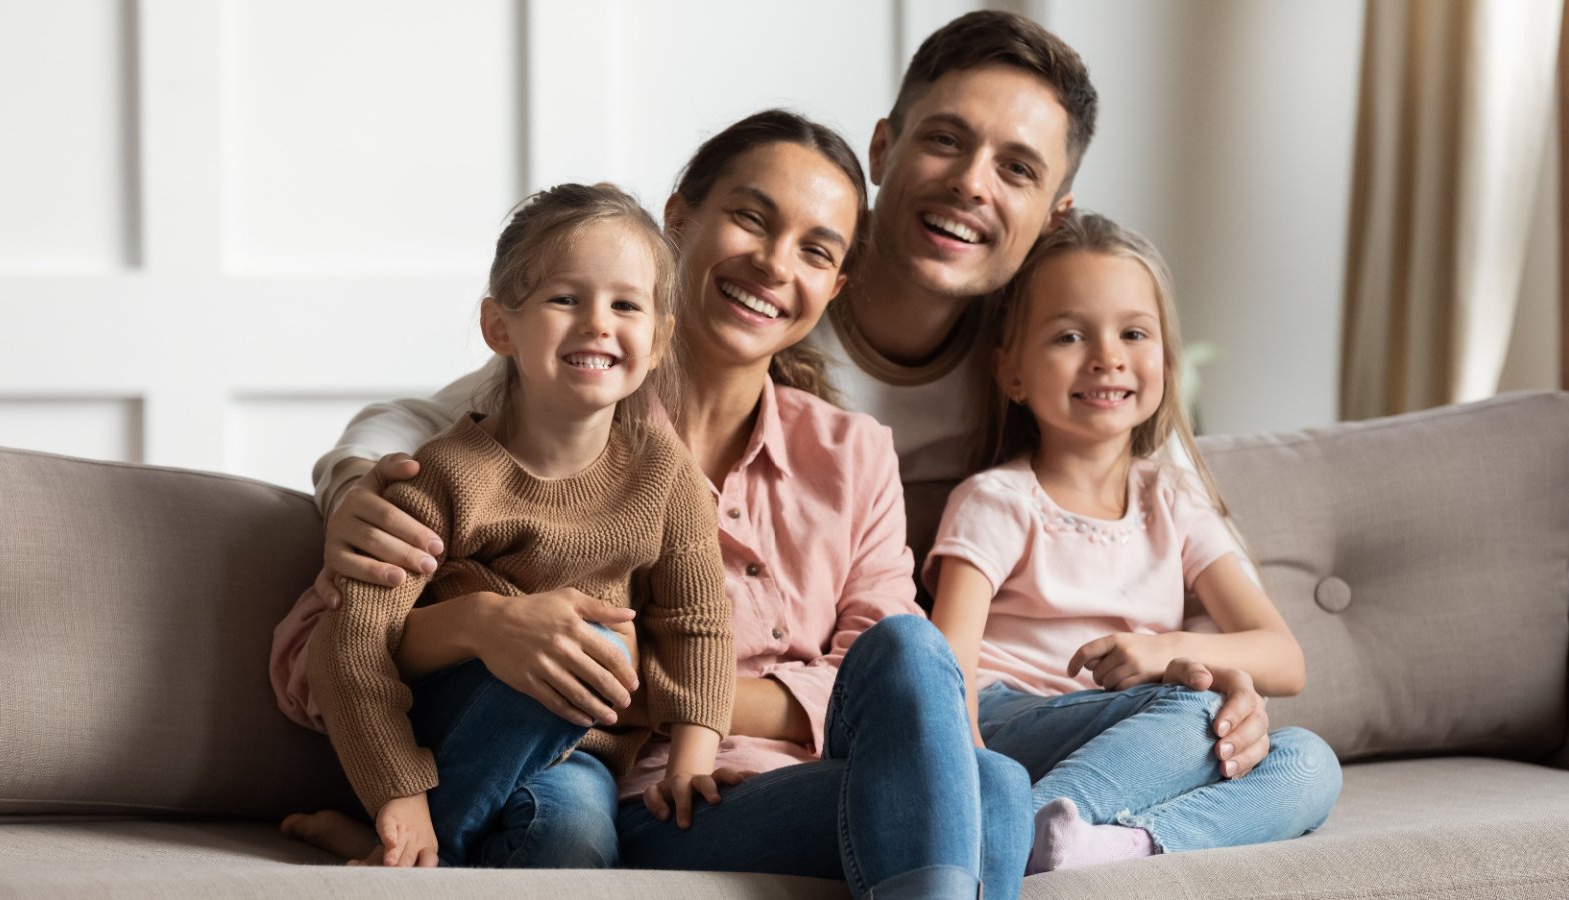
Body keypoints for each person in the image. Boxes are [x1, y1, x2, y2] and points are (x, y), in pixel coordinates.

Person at [288, 8, 1278, 787]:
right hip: (709, 706)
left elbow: (1156, 522)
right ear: (884, 150)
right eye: (945, 142)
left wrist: (1200, 679)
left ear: (1050, 213)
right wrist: (363, 487)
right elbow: (453, 416)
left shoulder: (1046, 358)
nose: (973, 184)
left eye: (1015, 170)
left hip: (876, 696)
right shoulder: (742, 320)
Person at [277, 110, 1035, 898]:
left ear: (835, 286)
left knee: (974, 746)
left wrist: (661, 691)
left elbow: (869, 687)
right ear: (678, 221)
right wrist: (462, 607)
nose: (777, 264)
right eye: (750, 217)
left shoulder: (854, 452)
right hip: (629, 791)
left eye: (816, 250)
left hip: (755, 785)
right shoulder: (564, 409)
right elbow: (317, 650)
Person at [305, 183, 737, 869]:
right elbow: (350, 644)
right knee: (589, 644)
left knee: (573, 840)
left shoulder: (665, 472)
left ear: (658, 341)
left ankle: (413, 859)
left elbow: (699, 623)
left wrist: (691, 761)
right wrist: (398, 798)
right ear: (499, 326)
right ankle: (413, 838)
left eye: (626, 305)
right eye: (566, 298)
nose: (598, 323)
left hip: (581, 755)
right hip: (447, 737)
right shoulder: (442, 474)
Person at [925, 211, 1342, 873]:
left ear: (1166, 360)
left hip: (1142, 729)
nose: (1107, 356)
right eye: (1069, 335)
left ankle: (1116, 843)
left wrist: (1161, 651)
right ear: (1012, 374)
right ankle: (1003, 829)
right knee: (1194, 712)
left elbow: (1283, 658)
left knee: (1309, 762)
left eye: (1133, 333)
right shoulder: (997, 501)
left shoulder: (1173, 500)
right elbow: (942, 666)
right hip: (1015, 722)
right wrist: (966, 772)